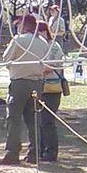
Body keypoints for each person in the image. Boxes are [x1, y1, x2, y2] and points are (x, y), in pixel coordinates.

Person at [0, 15, 57, 166]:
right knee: (34, 120)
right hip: (37, 83)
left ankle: (12, 152)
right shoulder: (43, 42)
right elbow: (46, 63)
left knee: (14, 118)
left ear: (24, 26)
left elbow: (6, 59)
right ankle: (35, 152)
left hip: (19, 82)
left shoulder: (19, 40)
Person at [33, 22, 69, 165]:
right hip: (41, 87)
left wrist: (30, 70)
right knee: (40, 121)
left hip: (52, 88)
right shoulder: (41, 45)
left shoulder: (53, 46)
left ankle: (51, 152)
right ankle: (41, 150)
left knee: (47, 121)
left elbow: (48, 67)